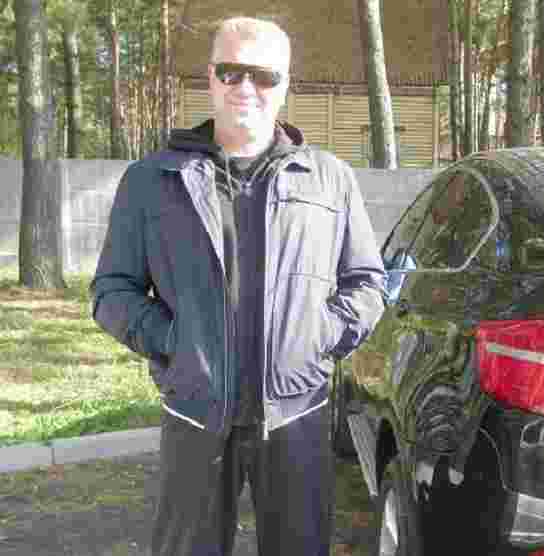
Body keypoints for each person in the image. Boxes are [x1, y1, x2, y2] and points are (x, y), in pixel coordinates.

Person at [90, 17, 386, 556]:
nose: (246, 87)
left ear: (285, 84)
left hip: (297, 414)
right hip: (195, 413)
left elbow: (366, 282)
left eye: (263, 75)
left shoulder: (330, 179)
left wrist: (320, 337)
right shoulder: (152, 180)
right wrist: (174, 343)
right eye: (231, 72)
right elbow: (111, 291)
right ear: (211, 77)